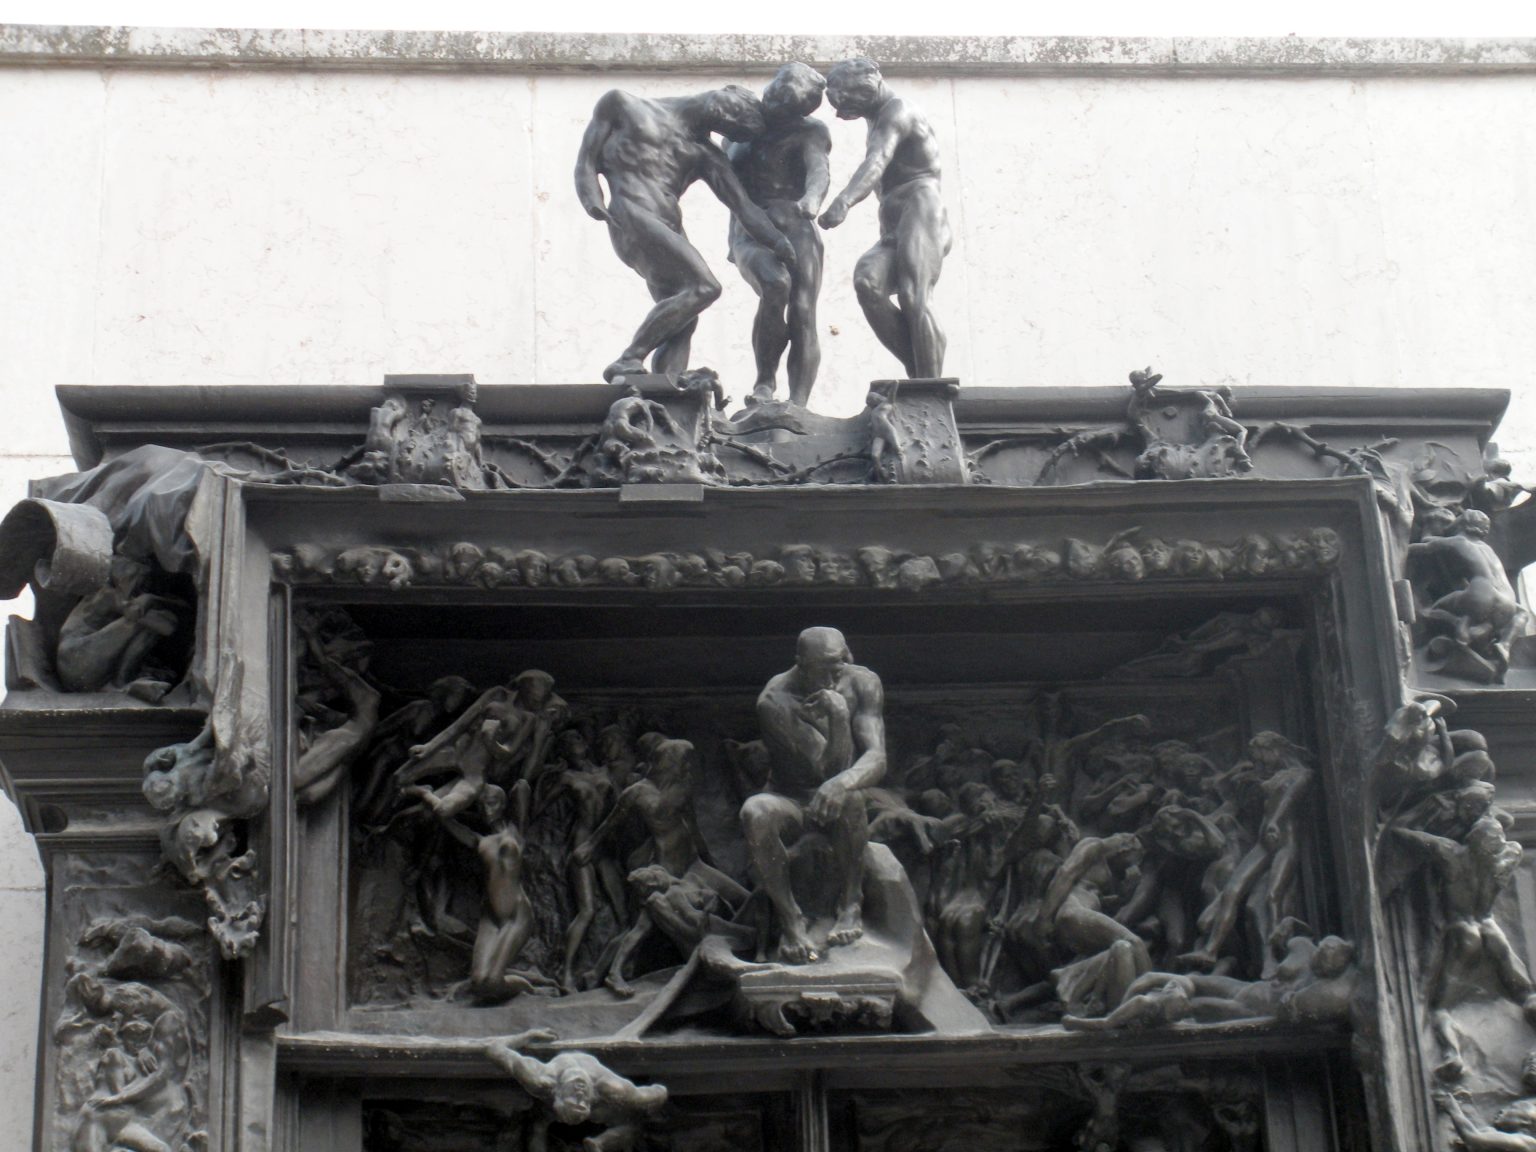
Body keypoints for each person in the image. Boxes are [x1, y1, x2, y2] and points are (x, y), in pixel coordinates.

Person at [575, 84, 797, 382]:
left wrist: (779, 242)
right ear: (728, 90)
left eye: (734, 125)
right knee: (704, 287)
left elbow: (744, 208)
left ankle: (667, 383)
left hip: (669, 226)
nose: (730, 119)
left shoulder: (705, 153)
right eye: (736, 111)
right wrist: (593, 201)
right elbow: (586, 162)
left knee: (684, 315)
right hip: (631, 214)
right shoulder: (623, 105)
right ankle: (629, 358)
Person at [745, 626, 887, 963]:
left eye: (837, 666)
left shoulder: (863, 682)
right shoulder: (774, 701)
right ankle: (791, 919)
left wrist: (844, 783)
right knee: (755, 812)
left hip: (840, 795)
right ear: (800, 664)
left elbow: (877, 757)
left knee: (851, 797)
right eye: (821, 669)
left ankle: (850, 904)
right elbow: (822, 771)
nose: (831, 678)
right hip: (792, 799)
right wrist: (838, 718)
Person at [817, 57, 952, 379]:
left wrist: (844, 200)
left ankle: (930, 388)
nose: (840, 112)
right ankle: (921, 375)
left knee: (914, 296)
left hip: (921, 209)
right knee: (868, 281)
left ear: (867, 83)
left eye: (845, 102)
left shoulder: (897, 110)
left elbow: (877, 161)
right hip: (893, 223)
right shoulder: (876, 117)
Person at [727, 62, 832, 406]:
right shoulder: (740, 123)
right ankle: (764, 382)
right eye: (773, 96)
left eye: (784, 108)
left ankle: (798, 403)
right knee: (774, 285)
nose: (772, 108)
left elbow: (819, 169)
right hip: (750, 227)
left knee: (803, 310)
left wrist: (812, 198)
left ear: (798, 113)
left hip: (796, 224)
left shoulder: (811, 131)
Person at [483, 1028, 667, 1152]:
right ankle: (600, 1144)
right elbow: (656, 1093)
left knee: (538, 1122)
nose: (580, 1093)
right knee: (632, 1124)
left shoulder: (539, 1080)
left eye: (574, 1100)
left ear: (558, 1094)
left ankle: (597, 1143)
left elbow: (494, 1049)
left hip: (548, 1107)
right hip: (597, 1106)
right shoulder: (612, 1089)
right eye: (583, 1102)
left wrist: (528, 1035)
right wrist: (659, 1091)